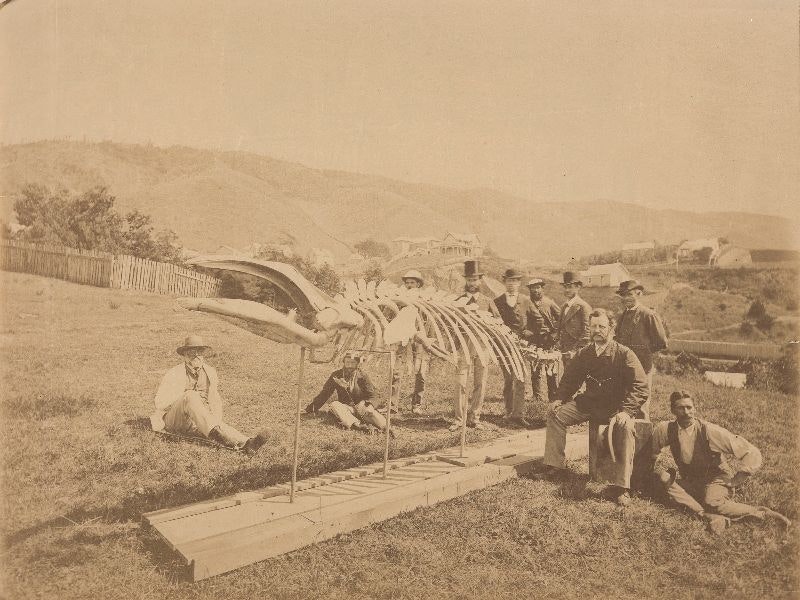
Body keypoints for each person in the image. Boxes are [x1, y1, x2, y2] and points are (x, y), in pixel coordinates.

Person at [541, 309, 649, 505]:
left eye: (602, 326)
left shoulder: (624, 354)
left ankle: (621, 487)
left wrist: (626, 411)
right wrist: (559, 398)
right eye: (594, 326)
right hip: (590, 404)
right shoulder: (585, 353)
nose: (597, 330)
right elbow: (570, 379)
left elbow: (640, 386)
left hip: (616, 408)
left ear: (611, 329)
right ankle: (555, 466)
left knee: (626, 429)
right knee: (556, 415)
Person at [651, 390, 790, 533]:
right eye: (681, 408)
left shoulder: (710, 432)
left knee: (711, 501)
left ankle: (761, 513)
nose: (686, 412)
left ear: (695, 408)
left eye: (689, 407)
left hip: (716, 479)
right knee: (662, 481)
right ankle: (707, 516)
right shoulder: (666, 429)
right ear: (673, 410)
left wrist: (737, 479)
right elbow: (652, 452)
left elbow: (750, 451)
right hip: (693, 480)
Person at [150, 335, 267, 454]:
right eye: (191, 352)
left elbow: (215, 401)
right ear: (184, 355)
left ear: (203, 354)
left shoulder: (210, 372)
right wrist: (184, 400)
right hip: (174, 420)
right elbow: (159, 402)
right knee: (190, 396)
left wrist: (209, 417)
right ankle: (217, 434)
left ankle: (248, 443)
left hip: (197, 421)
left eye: (199, 352)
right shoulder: (174, 373)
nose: (196, 355)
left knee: (216, 425)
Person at [449, 260, 499, 432]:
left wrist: (490, 341)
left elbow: (498, 324)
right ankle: (459, 419)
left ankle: (475, 417)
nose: (472, 283)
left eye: (475, 280)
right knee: (461, 382)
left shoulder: (488, 301)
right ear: (466, 281)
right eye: (469, 280)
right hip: (464, 346)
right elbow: (451, 325)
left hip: (482, 346)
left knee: (480, 382)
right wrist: (454, 347)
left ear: (480, 281)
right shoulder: (459, 301)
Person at [614, 279, 668, 419]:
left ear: (639, 293)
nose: (626, 298)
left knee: (641, 407)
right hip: (624, 368)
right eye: (623, 295)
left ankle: (643, 439)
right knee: (625, 406)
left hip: (643, 367)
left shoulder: (648, 315)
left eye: (630, 294)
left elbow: (661, 342)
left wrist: (643, 351)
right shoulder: (622, 316)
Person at [305, 351, 390, 434]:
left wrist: (371, 406)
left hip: (361, 407)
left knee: (374, 415)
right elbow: (325, 393)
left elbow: (373, 395)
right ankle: (357, 425)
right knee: (335, 404)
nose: (349, 365)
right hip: (346, 408)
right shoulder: (336, 375)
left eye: (352, 363)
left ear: (357, 364)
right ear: (344, 362)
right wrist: (311, 408)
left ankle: (387, 429)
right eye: (347, 362)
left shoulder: (363, 376)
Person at [494, 268, 535, 428]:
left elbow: (535, 320)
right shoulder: (497, 301)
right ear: (504, 282)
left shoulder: (526, 300)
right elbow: (494, 324)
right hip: (504, 346)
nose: (512, 284)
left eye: (515, 281)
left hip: (521, 346)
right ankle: (508, 411)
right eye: (509, 281)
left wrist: (529, 333)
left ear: (519, 283)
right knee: (508, 379)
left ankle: (518, 414)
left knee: (520, 379)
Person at [524, 278, 561, 405]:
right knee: (535, 370)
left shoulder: (549, 303)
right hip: (534, 340)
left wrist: (555, 334)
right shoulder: (527, 304)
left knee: (551, 369)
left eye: (538, 287)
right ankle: (538, 397)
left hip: (548, 340)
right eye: (533, 288)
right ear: (530, 290)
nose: (535, 290)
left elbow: (560, 319)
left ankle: (553, 396)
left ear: (542, 288)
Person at [400, 269, 428, 415]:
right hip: (403, 337)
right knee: (397, 370)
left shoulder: (424, 299)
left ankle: (416, 404)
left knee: (420, 372)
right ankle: (392, 403)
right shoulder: (401, 298)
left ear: (418, 284)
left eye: (412, 282)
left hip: (419, 337)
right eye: (407, 283)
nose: (409, 285)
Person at [557, 271, 591, 363]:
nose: (567, 290)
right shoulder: (564, 306)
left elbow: (587, 334)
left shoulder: (583, 307)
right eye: (565, 287)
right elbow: (560, 328)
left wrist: (574, 351)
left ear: (578, 287)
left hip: (577, 353)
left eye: (570, 287)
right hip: (565, 351)